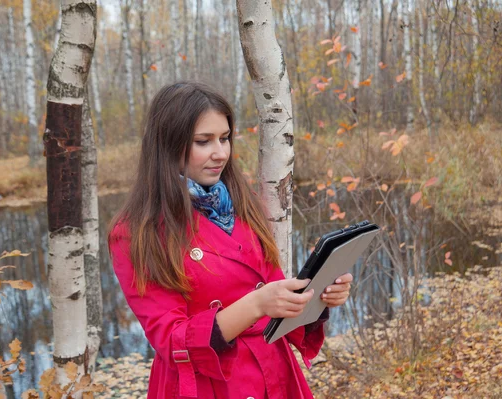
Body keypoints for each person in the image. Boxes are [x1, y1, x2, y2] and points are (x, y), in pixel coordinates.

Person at [108, 82, 353, 399]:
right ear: (167, 145)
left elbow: (275, 292)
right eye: (203, 141)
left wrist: (317, 297)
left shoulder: (243, 202)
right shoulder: (136, 231)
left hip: (274, 374)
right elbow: (171, 340)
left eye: (224, 138)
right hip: (209, 386)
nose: (220, 153)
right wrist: (256, 305)